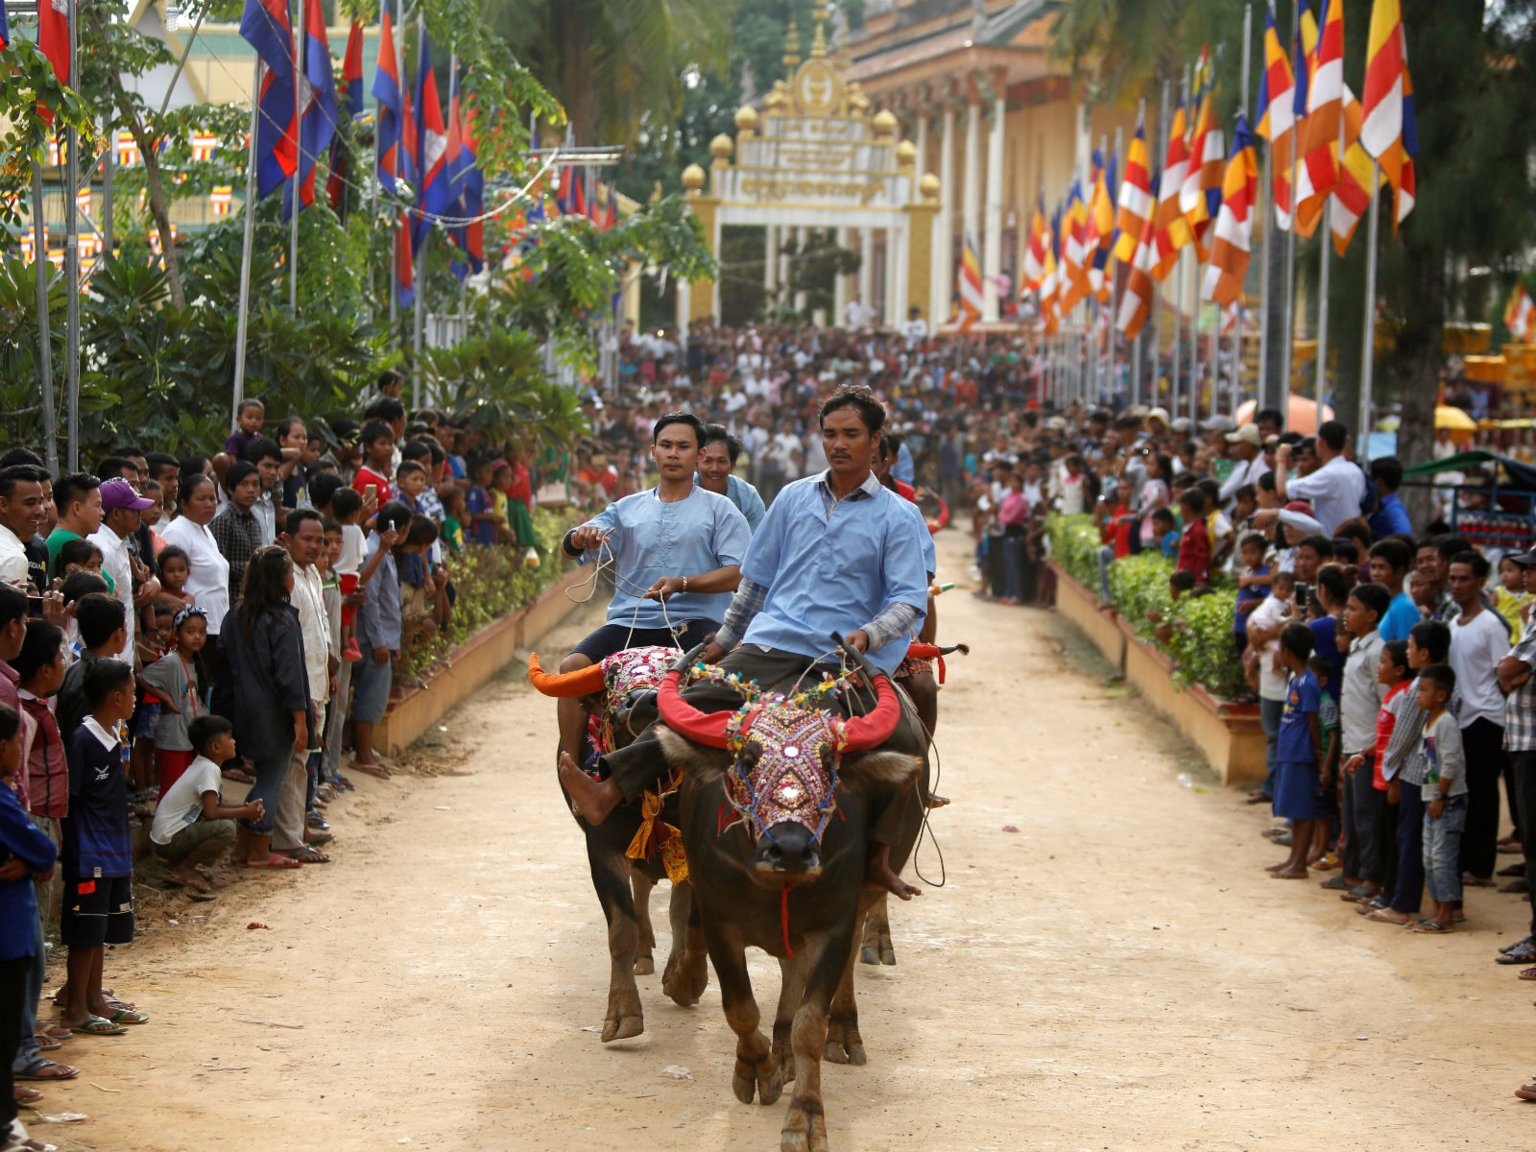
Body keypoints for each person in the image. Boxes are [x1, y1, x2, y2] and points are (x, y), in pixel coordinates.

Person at [562, 388, 931, 900]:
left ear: (875, 441)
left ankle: (877, 862)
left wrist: (869, 634)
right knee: (681, 711)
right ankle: (609, 790)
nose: (839, 444)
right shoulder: (793, 498)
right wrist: (725, 643)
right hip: (768, 645)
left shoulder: (899, 516)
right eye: (830, 434)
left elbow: (909, 602)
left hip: (847, 662)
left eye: (851, 434)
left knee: (906, 744)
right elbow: (754, 584)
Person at [552, 413, 750, 776]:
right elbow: (571, 547)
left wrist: (683, 584)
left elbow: (738, 573)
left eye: (684, 446)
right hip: (630, 621)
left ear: (699, 455)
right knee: (570, 671)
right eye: (667, 445)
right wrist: (579, 537)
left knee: (729, 679)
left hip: (697, 623)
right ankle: (574, 769)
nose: (674, 453)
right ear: (653, 451)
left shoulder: (721, 509)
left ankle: (728, 773)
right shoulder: (626, 508)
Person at [59, 657, 145, 1035]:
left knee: (100, 931)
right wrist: (71, 848)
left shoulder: (115, 736)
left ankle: (95, 999)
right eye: (132, 692)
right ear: (115, 697)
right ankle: (75, 1008)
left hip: (112, 851)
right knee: (85, 932)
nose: (135, 698)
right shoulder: (82, 739)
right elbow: (71, 798)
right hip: (89, 852)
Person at [213, 546, 310, 871]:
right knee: (270, 779)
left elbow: (223, 661)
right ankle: (259, 849)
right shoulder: (281, 619)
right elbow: (289, 674)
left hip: (243, 708)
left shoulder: (236, 614)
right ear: (281, 578)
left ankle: (243, 849)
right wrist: (300, 719)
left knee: (264, 777)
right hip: (274, 711)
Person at [0, 701, 61, 1148]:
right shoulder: (2, 799)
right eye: (19, 741)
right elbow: (42, 850)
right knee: (4, 1034)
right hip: (8, 933)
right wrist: (30, 859)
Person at [1445, 551, 1510, 894]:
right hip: (1461, 717)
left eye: (1463, 578)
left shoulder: (1490, 625)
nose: (1456, 585)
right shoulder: (1454, 625)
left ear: (1481, 582)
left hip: (1486, 717)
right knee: (1465, 791)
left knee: (1483, 793)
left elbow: (1505, 673)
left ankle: (1481, 866)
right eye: (1452, 579)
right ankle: (1466, 860)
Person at [274, 510, 335, 865]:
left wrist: (330, 664)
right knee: (295, 763)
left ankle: (300, 826)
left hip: (318, 681)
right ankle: (288, 838)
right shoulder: (288, 579)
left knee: (308, 763)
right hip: (301, 688)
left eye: (320, 540)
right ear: (288, 539)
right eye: (307, 539)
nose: (314, 546)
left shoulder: (312, 573)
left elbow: (319, 627)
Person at [148, 715, 262, 893]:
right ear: (216, 747)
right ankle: (183, 869)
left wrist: (246, 809)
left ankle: (180, 863)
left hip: (165, 837)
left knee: (227, 822)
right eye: (230, 738)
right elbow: (211, 813)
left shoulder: (203, 765)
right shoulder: (209, 769)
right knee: (226, 828)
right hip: (169, 840)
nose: (234, 742)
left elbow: (214, 807)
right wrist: (244, 812)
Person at [1332, 583, 1388, 904]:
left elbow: (1385, 704)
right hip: (1352, 745)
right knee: (1352, 814)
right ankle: (1351, 871)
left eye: (1353, 609)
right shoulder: (1356, 648)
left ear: (1371, 615)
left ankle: (1371, 876)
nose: (1346, 614)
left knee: (1367, 815)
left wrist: (1373, 748)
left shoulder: (1377, 651)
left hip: (1367, 749)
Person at [1497, 546, 1536, 966]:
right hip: (1524, 741)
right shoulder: (1531, 617)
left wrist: (1516, 671)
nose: (1526, 575)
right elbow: (1509, 673)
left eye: (1531, 569)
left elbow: (1507, 672)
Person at [351, 504, 410, 778]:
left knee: (374, 697)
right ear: (401, 529)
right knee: (370, 698)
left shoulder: (382, 552)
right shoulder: (374, 552)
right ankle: (362, 755)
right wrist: (380, 642)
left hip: (384, 638)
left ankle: (366, 751)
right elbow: (370, 600)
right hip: (374, 640)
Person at [1416, 663, 1467, 934]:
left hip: (1447, 800)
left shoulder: (1446, 722)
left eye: (1423, 690)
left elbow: (1450, 762)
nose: (1417, 695)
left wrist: (1439, 795)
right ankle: (1437, 909)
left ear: (1441, 695)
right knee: (1429, 857)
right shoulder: (1429, 722)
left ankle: (1447, 914)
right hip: (1432, 798)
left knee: (1442, 857)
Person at [1266, 622, 1319, 879]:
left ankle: (1300, 864)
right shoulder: (1295, 678)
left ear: (1286, 651)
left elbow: (1312, 721)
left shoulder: (1308, 682)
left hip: (1302, 753)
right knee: (1295, 810)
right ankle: (1292, 859)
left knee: (1304, 810)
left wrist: (1318, 756)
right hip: (1290, 751)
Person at [138, 606, 209, 796]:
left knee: (186, 792)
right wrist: (165, 697)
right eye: (190, 631)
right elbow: (142, 677)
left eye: (202, 632)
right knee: (171, 793)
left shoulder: (197, 663)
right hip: (173, 739)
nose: (197, 637)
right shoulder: (171, 662)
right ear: (177, 634)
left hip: (191, 738)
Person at [158, 474, 231, 656]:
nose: (209, 504)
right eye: (201, 499)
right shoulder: (177, 531)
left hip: (216, 625)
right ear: (184, 503)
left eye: (212, 498)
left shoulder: (205, 529)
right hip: (193, 629)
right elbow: (169, 578)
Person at [88, 478, 157, 665]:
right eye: (134, 510)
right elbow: (104, 610)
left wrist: (132, 649)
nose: (140, 514)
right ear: (117, 514)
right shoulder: (104, 550)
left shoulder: (118, 543)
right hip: (109, 662)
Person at [1246, 569, 1298, 804]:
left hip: (1285, 682)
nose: (1284, 593)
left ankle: (1278, 790)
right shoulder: (1271, 607)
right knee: (1274, 737)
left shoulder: (1289, 607)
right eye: (1280, 588)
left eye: (1288, 589)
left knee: (1281, 739)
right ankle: (1272, 788)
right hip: (1270, 681)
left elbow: (1263, 635)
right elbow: (1257, 636)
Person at [1272, 420, 1365, 535]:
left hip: (1332, 539)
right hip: (1351, 536)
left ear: (1321, 442)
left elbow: (1282, 491)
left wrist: (1281, 459)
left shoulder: (1329, 474)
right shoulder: (1355, 470)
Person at [697, 425, 766, 533]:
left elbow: (758, 542)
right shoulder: (682, 490)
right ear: (696, 463)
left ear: (732, 465)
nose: (714, 468)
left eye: (721, 461)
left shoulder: (748, 498)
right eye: (708, 461)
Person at [45, 473, 103, 578]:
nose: (102, 512)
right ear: (77, 508)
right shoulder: (66, 540)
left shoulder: (57, 537)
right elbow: (112, 589)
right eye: (98, 506)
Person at [0, 468, 46, 590]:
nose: (40, 511)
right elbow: (10, 609)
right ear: (3, 504)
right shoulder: (13, 558)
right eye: (30, 503)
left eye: (40, 502)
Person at [1368, 538, 1419, 643]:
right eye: (1373, 567)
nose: (1375, 573)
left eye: (1381, 568)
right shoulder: (1380, 605)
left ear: (1400, 572)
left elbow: (1404, 650)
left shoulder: (1404, 607)